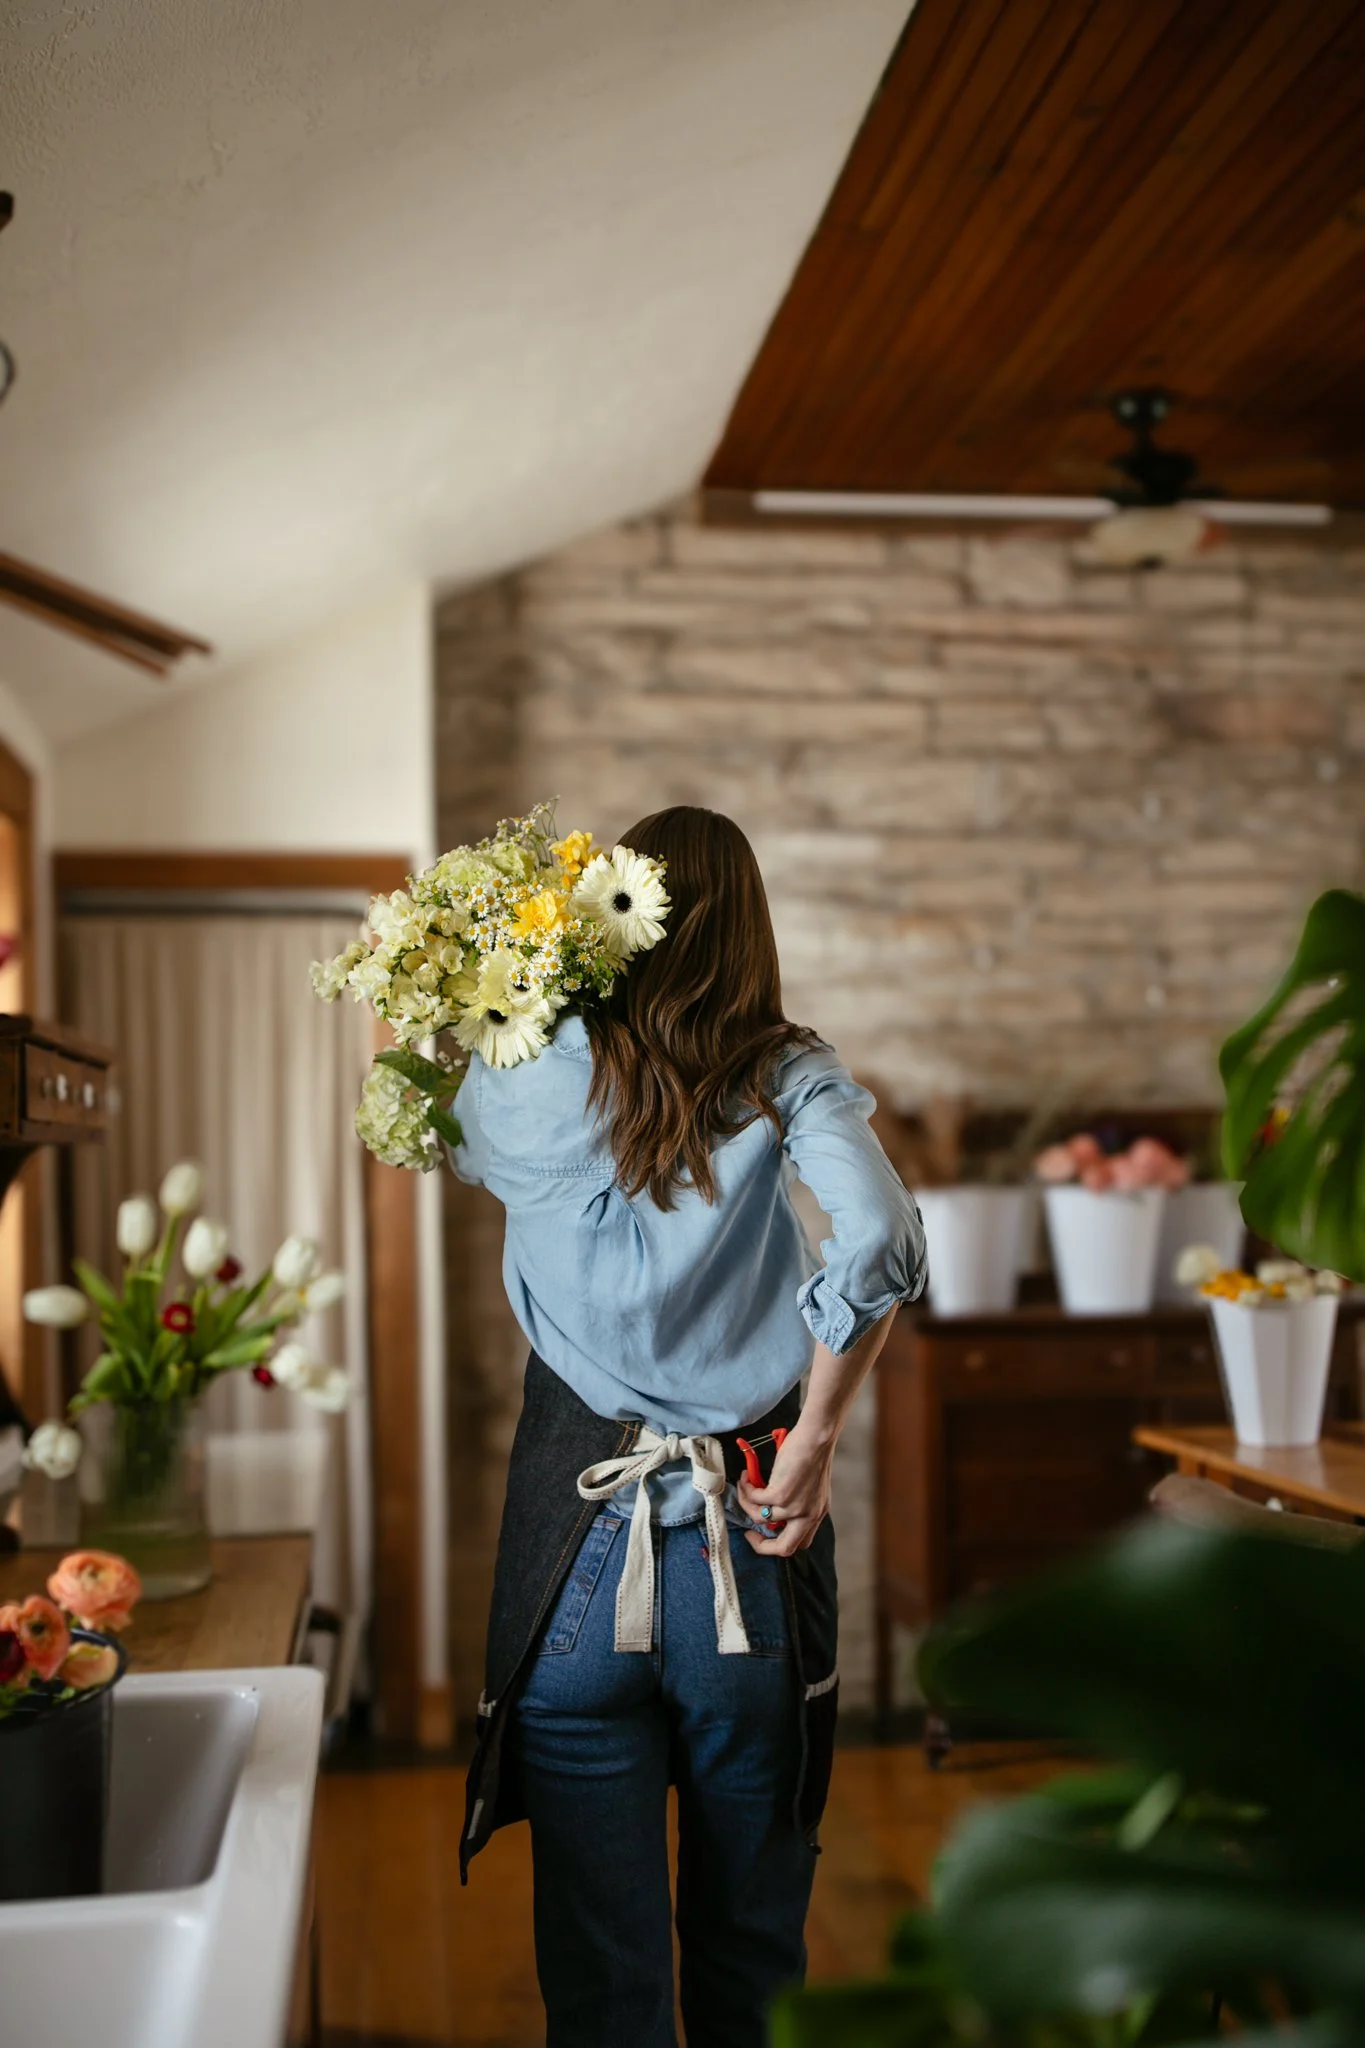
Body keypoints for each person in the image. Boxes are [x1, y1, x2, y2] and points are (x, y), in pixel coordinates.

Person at [450, 805, 926, 2047]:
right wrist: (815, 1435)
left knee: (604, 1989)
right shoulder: (787, 1069)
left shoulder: (519, 1062)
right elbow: (879, 1237)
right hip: (750, 1547)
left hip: (573, 1560)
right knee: (752, 1953)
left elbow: (452, 1142)